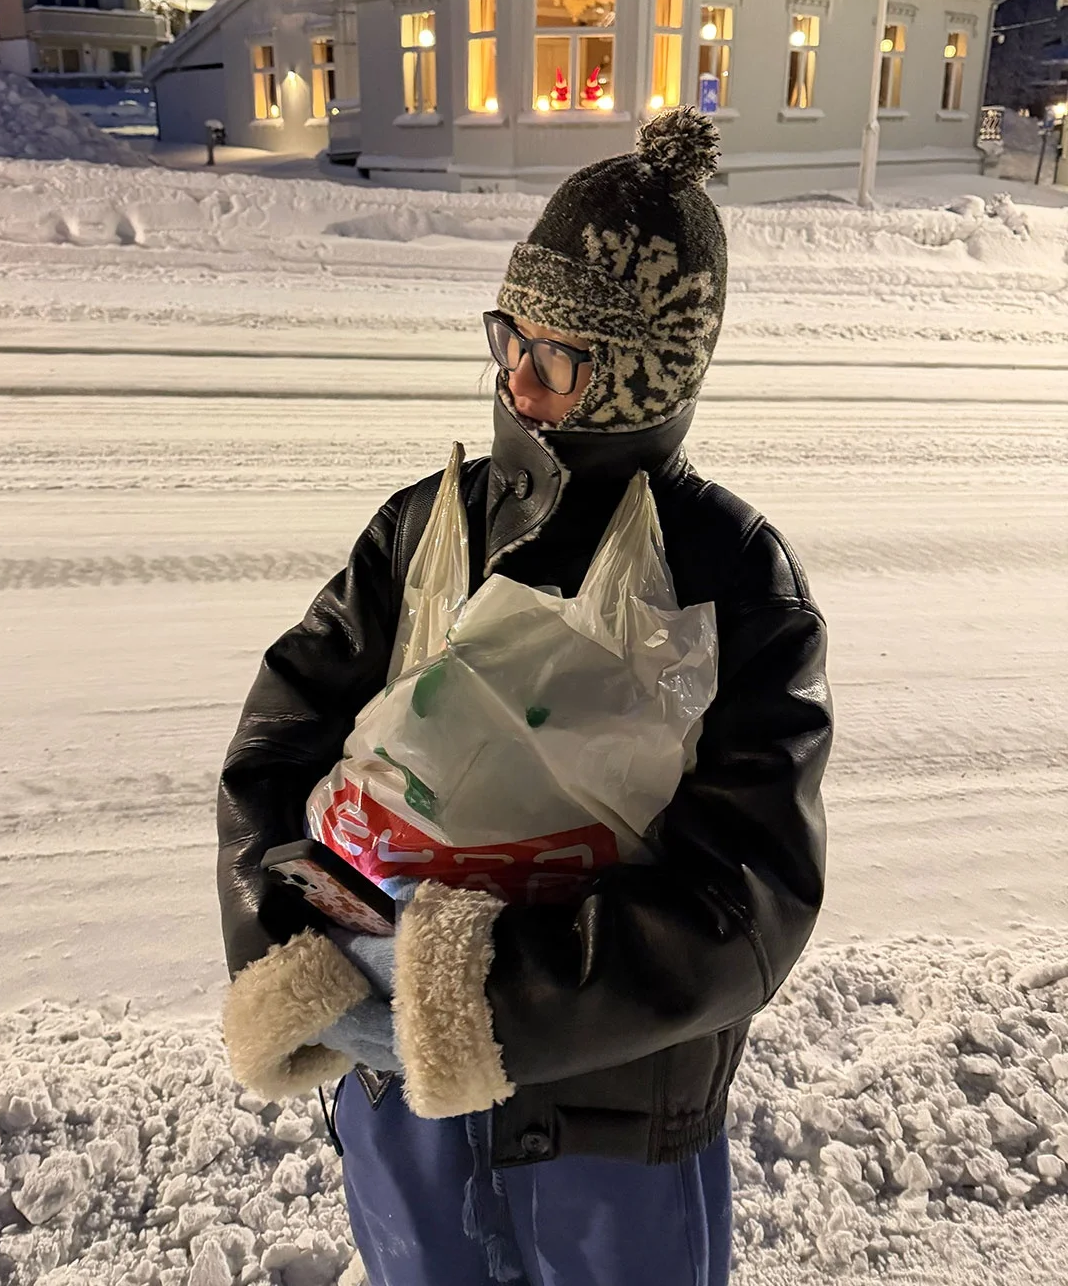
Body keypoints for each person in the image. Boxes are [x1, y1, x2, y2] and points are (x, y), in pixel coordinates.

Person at [217, 106, 833, 1286]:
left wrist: (478, 1002)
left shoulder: (727, 577)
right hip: (401, 1106)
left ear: (638, 378)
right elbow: (276, 743)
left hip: (610, 1118)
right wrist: (284, 941)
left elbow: (750, 898)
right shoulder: (422, 527)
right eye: (508, 335)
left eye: (551, 355)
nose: (511, 374)